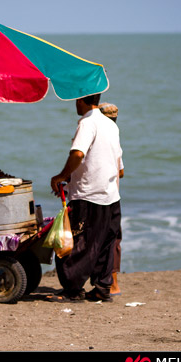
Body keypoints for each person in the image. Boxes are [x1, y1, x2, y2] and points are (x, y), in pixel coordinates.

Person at [50, 94, 124, 302]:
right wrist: (70, 181)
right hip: (110, 195)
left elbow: (78, 155)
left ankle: (72, 290)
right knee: (104, 244)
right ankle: (102, 287)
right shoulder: (111, 126)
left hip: (88, 195)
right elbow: (116, 165)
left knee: (78, 243)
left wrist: (62, 176)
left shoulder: (88, 123)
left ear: (80, 101)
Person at [98, 102, 124, 296]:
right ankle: (113, 283)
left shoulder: (103, 136)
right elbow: (120, 171)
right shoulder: (115, 136)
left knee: (104, 240)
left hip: (102, 198)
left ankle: (111, 283)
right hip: (114, 195)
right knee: (113, 241)